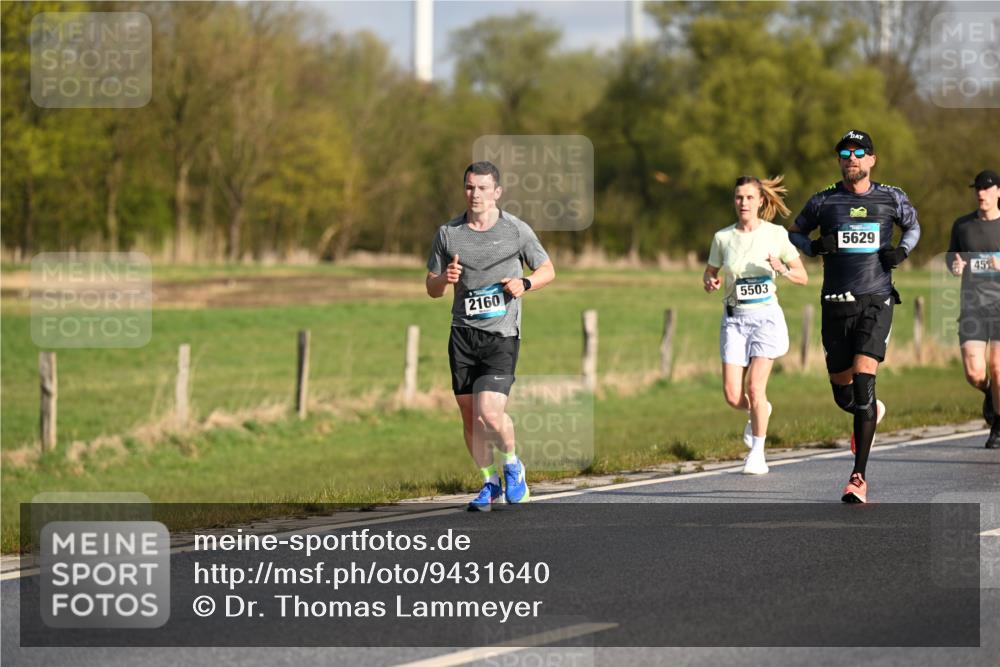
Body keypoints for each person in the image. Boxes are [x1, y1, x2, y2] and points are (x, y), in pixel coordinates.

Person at [788, 130, 920, 503]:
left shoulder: (891, 197)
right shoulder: (824, 201)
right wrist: (813, 246)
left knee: (864, 380)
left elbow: (913, 226)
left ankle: (857, 477)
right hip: (835, 303)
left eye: (859, 152)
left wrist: (902, 252)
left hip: (876, 299)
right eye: (845, 153)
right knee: (844, 393)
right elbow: (794, 232)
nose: (852, 158)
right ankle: (870, 412)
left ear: (872, 159)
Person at [426, 161, 556, 511]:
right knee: (470, 417)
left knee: (490, 413)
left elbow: (548, 270)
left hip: (500, 335)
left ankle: (513, 465)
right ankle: (490, 482)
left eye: (483, 188)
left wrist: (524, 283)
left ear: (497, 192)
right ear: (464, 189)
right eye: (470, 187)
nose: (476, 194)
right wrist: (445, 279)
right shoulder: (448, 233)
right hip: (462, 335)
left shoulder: (515, 231)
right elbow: (432, 288)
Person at [704, 176, 808, 474]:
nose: (743, 203)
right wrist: (710, 281)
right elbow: (710, 272)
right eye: (739, 198)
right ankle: (759, 409)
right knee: (733, 395)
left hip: (765, 319)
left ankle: (758, 453)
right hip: (734, 320)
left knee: (754, 387)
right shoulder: (722, 237)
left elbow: (803, 276)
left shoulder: (775, 234)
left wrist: (783, 268)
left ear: (761, 201)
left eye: (749, 198)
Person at [946, 169, 1000, 449]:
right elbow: (952, 257)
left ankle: (998, 427)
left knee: (997, 366)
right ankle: (992, 393)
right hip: (973, 307)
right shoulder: (963, 226)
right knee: (975, 373)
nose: (981, 193)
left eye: (988, 188)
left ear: (998, 192)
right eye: (978, 188)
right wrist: (955, 266)